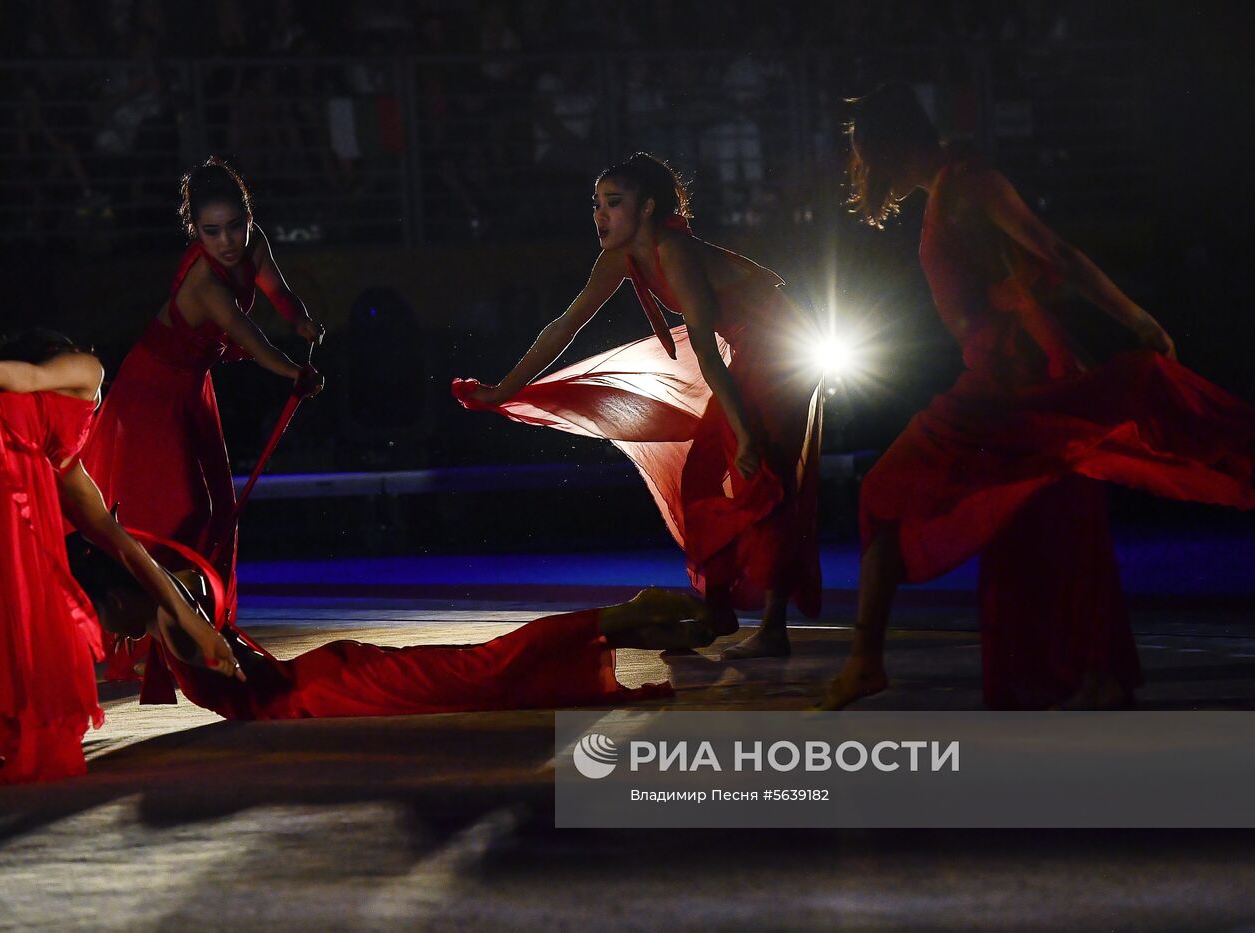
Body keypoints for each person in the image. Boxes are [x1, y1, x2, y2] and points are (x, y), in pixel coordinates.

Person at [817, 83, 1255, 710]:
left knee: (887, 493)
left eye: (863, 150)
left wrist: (1139, 322)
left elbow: (1056, 252)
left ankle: (866, 661)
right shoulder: (946, 191)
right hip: (1006, 372)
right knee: (1052, 523)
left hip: (1013, 383)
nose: (861, 167)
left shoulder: (968, 182)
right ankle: (1098, 677)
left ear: (890, 143)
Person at [454, 153, 824, 659]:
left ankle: (774, 627)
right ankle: (718, 607)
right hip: (752, 353)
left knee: (762, 476)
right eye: (596, 204)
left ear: (647, 208)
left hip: (783, 350)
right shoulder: (619, 257)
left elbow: (707, 349)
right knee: (701, 476)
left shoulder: (674, 250)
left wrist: (746, 433)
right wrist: (502, 390)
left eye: (614, 203)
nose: (600, 215)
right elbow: (564, 327)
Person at [0, 330, 242, 791]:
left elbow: (129, 550)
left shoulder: (63, 466)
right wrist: (8, 374)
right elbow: (59, 371)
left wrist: (200, 632)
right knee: (28, 603)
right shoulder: (87, 379)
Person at [80, 156, 322, 680]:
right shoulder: (204, 284)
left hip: (191, 388)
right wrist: (292, 372)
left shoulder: (254, 247)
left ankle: (188, 627)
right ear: (195, 230)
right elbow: (251, 342)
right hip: (151, 393)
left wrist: (300, 319)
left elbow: (279, 293)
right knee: (179, 512)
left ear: (249, 218)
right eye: (212, 232)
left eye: (236, 226)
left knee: (212, 512)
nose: (227, 241)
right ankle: (166, 630)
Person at [73, 533, 711, 720]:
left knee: (485, 671)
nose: (104, 632)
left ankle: (621, 615)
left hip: (327, 692)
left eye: (99, 611)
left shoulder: (174, 617)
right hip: (324, 680)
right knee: (488, 676)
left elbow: (199, 619)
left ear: (117, 592)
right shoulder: (169, 614)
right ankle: (636, 629)